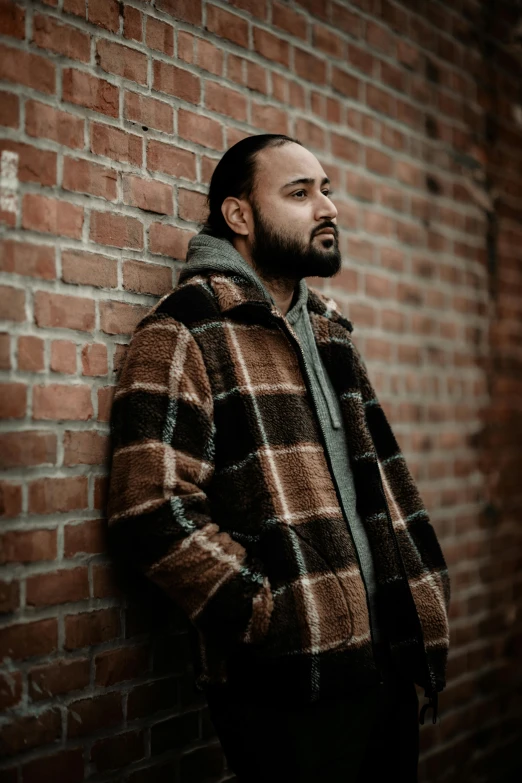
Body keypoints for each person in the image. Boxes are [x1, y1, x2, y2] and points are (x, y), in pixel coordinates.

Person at [107, 134, 450, 782]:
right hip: (287, 688)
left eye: (327, 190)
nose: (327, 207)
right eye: (300, 192)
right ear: (239, 216)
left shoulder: (330, 332)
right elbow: (148, 510)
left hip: (389, 668)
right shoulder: (186, 329)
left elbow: (381, 482)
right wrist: (271, 611)